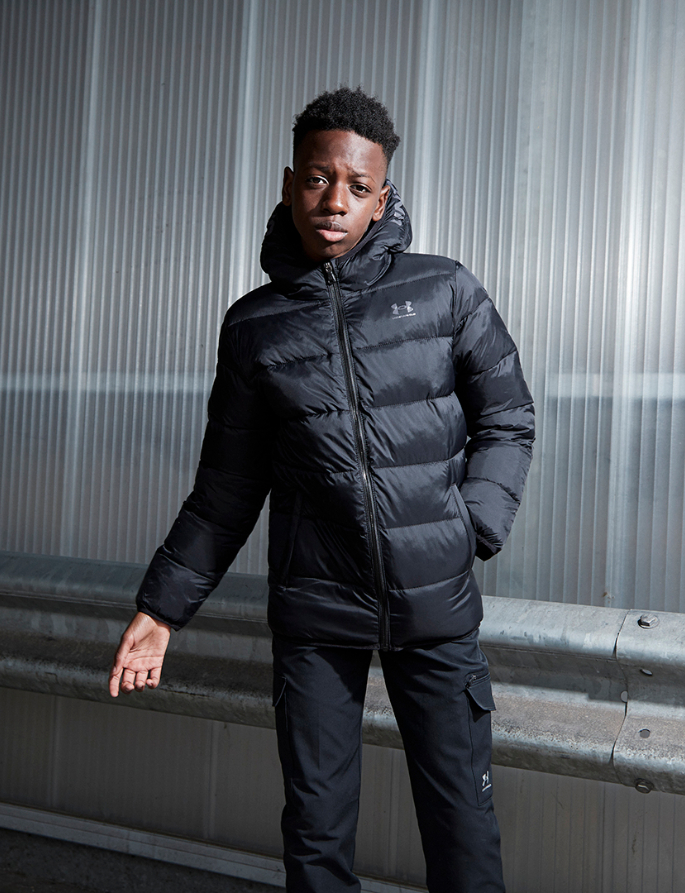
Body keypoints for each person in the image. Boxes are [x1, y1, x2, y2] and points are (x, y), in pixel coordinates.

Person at [109, 86, 534, 893]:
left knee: (462, 827)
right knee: (315, 832)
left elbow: (508, 415)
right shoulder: (255, 327)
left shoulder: (444, 291)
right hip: (316, 608)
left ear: (383, 196)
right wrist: (161, 610)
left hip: (436, 604)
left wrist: (471, 524)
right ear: (289, 182)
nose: (334, 201)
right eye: (317, 178)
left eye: (356, 186)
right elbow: (226, 489)